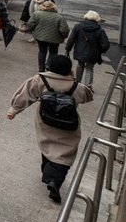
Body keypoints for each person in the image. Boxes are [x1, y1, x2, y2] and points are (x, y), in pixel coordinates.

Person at [7, 55, 93, 204]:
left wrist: (14, 110)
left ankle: (47, 172)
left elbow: (26, 94)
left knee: (47, 144)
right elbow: (87, 96)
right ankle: (55, 180)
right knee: (65, 152)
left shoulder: (40, 80)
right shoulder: (76, 86)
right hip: (68, 123)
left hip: (46, 120)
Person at [65, 11, 110, 87]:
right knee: (90, 68)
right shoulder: (100, 30)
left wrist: (68, 49)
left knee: (80, 65)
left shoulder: (78, 26)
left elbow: (71, 39)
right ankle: (88, 86)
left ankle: (78, 83)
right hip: (93, 53)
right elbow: (106, 44)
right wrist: (100, 50)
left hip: (80, 51)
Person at [26, 0, 69, 74]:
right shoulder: (59, 17)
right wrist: (64, 36)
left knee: (42, 51)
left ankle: (41, 68)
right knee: (53, 51)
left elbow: (30, 25)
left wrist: (32, 31)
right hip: (55, 38)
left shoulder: (37, 14)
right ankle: (49, 66)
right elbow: (64, 29)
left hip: (40, 37)